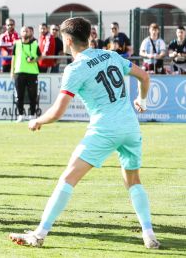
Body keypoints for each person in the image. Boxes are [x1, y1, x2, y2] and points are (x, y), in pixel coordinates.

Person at [9, 17, 159, 250]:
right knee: (133, 180)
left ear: (68, 40)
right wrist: (141, 100)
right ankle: (148, 233)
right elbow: (145, 76)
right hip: (130, 126)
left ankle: (39, 234)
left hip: (104, 128)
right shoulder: (111, 54)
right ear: (89, 36)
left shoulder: (75, 69)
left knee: (68, 178)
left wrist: (37, 120)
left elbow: (58, 112)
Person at [11, 26, 41, 122]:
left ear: (30, 33)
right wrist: (12, 71)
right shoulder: (17, 43)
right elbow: (13, 58)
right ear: (20, 33)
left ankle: (32, 115)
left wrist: (34, 60)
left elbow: (40, 56)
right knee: (19, 95)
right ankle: (20, 115)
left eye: (27, 31)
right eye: (23, 31)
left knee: (33, 95)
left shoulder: (35, 43)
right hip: (19, 72)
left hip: (32, 73)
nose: (25, 33)